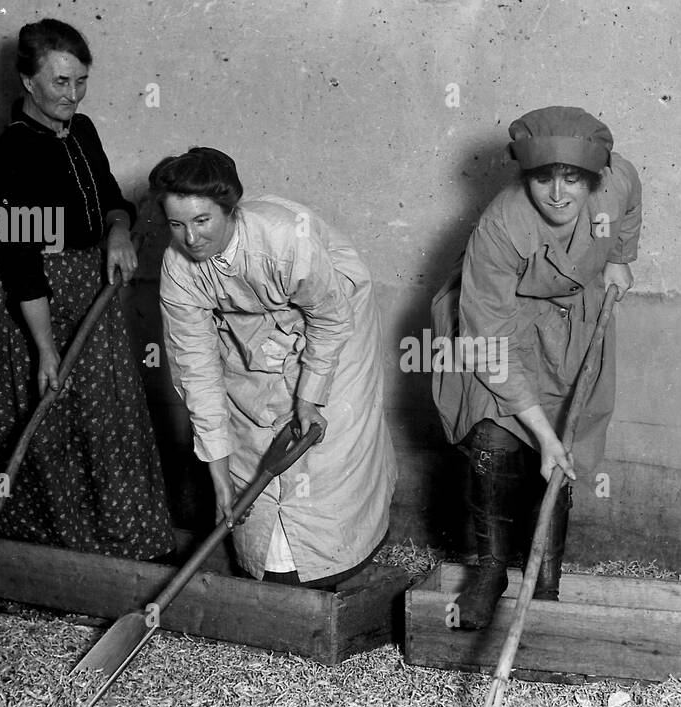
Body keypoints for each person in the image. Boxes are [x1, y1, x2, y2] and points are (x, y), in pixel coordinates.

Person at [0, 19, 175, 560]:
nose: (72, 95)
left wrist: (118, 230)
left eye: (81, 81)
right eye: (60, 83)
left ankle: (113, 546)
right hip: (30, 305)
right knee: (39, 422)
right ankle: (23, 557)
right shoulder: (8, 156)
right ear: (27, 81)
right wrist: (45, 348)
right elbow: (18, 259)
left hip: (90, 293)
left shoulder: (84, 130)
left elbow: (114, 198)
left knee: (100, 420)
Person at [432, 106, 642, 629]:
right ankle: (491, 569)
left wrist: (620, 253)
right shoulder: (500, 225)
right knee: (494, 432)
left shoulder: (619, 183)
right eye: (542, 178)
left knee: (566, 441)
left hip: (574, 320)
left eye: (572, 179)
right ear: (524, 176)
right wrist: (540, 436)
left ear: (595, 177)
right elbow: (489, 342)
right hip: (496, 324)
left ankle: (544, 579)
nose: (557, 193)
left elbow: (630, 207)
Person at [153, 147, 396, 587]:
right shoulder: (178, 268)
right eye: (176, 224)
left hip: (333, 323)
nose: (190, 238)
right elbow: (196, 370)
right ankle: (271, 561)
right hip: (251, 335)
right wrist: (220, 476)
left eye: (202, 220)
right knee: (254, 427)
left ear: (230, 210)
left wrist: (309, 398)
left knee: (325, 442)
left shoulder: (285, 240)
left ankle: (337, 560)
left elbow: (329, 317)